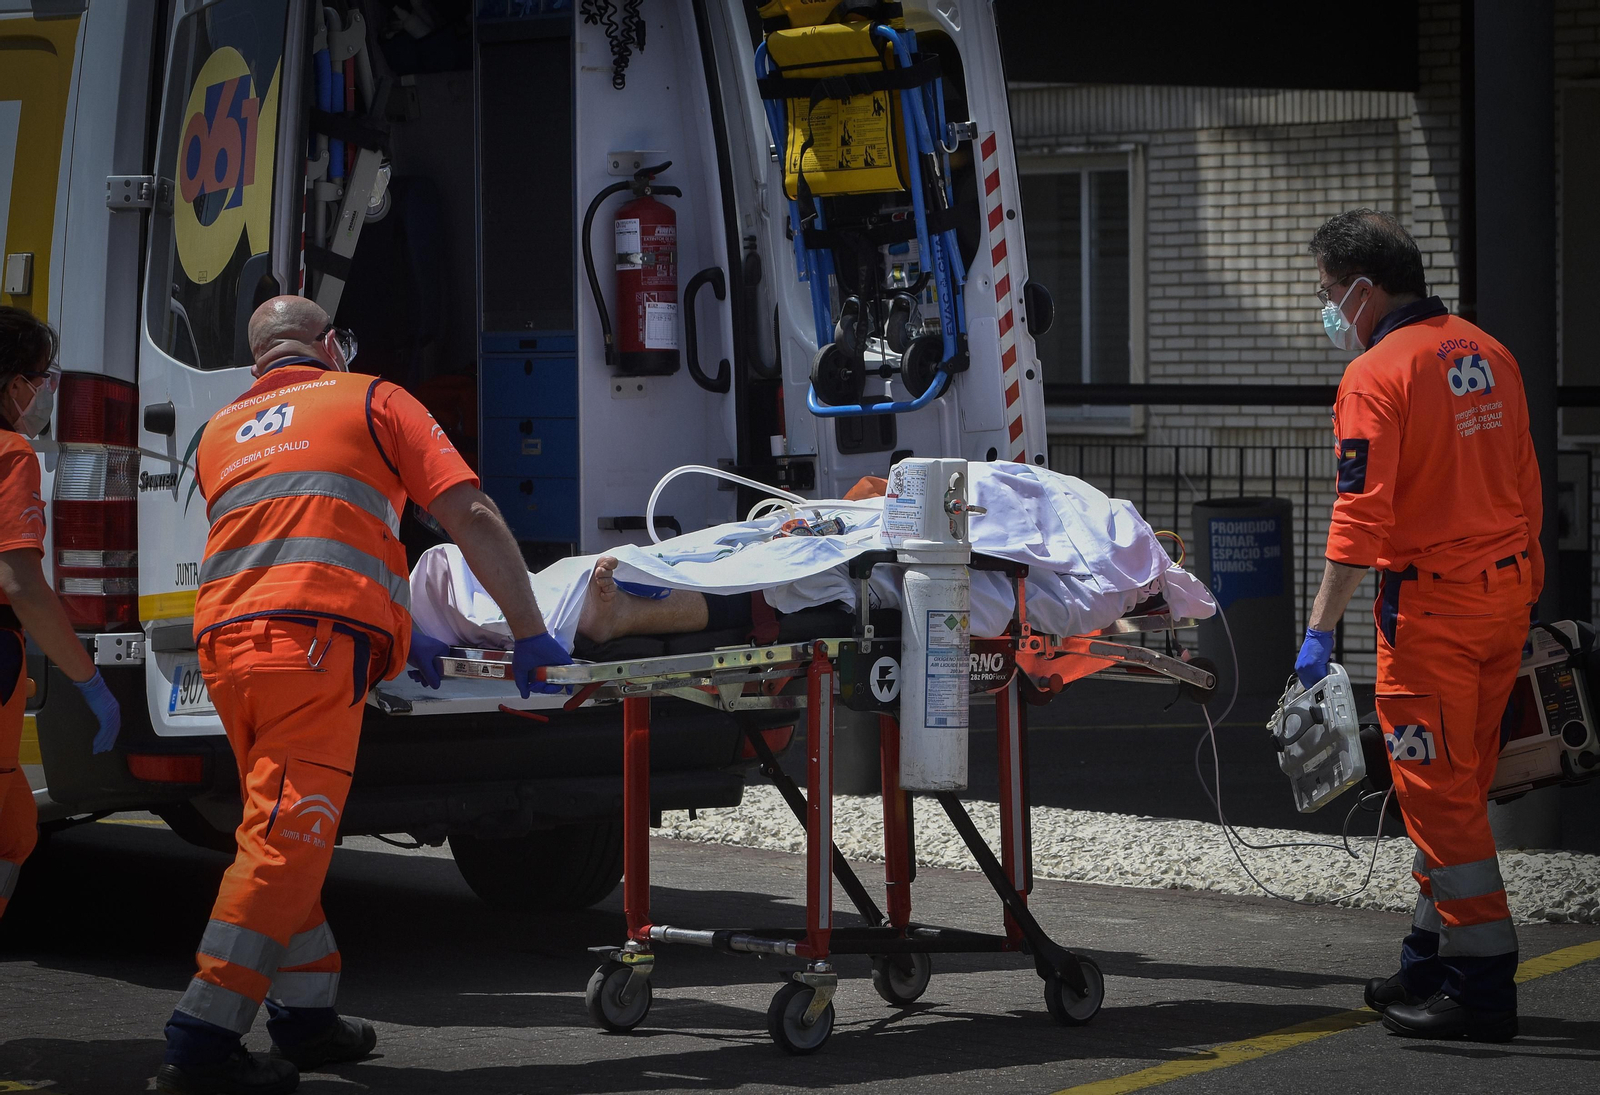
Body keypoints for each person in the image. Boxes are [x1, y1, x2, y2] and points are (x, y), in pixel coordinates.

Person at [157, 297, 571, 1095]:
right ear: (327, 345)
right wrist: (527, 629)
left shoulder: (218, 433)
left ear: (257, 365)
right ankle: (201, 1038)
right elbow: (469, 513)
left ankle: (307, 1015)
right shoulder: (374, 398)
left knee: (277, 822)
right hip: (309, 651)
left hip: (226, 650)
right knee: (287, 839)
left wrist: (387, 613)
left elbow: (293, 529)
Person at [1295, 210, 1541, 1043]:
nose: (1328, 309)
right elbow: (1525, 482)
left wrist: (1319, 629)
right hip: (1503, 599)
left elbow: (1358, 516)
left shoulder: (1375, 374)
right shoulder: (1488, 351)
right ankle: (1427, 955)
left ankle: (1481, 983)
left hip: (1433, 610)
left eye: (1331, 293)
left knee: (1434, 795)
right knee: (1458, 790)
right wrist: (1525, 585)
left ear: (1364, 290)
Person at [0, 307, 122, 922]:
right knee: (9, 832)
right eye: (42, 377)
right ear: (14, 384)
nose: (46, 390)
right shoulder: (12, 454)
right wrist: (89, 679)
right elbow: (20, 581)